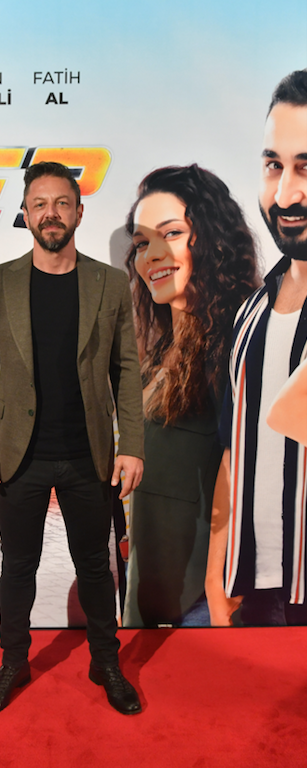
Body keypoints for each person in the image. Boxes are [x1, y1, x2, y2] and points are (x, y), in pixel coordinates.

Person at [0, 161, 144, 716]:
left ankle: (106, 662)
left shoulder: (109, 283)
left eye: (62, 203)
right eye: (39, 204)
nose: (51, 213)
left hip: (89, 454)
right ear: (25, 214)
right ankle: (12, 663)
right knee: (18, 567)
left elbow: (127, 370)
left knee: (94, 566)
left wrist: (132, 445)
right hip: (18, 456)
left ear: (79, 213)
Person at [123, 165, 260, 627]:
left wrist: (218, 591)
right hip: (152, 596)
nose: (152, 255)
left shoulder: (239, 345)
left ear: (213, 240)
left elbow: (244, 475)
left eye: (172, 233)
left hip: (205, 606)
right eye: (142, 243)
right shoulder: (157, 352)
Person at [205, 69, 307, 627]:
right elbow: (233, 450)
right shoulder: (251, 312)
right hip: (256, 592)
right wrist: (216, 576)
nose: (286, 194)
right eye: (274, 165)